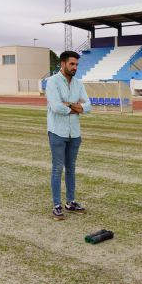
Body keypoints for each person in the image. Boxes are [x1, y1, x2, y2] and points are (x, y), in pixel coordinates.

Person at [45, 50, 92, 220]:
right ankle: (57, 205)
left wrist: (70, 105)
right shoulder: (52, 82)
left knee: (71, 168)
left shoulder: (79, 83)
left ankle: (70, 202)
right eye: (72, 64)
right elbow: (56, 107)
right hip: (57, 131)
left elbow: (88, 106)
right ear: (63, 64)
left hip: (75, 133)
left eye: (77, 64)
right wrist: (76, 107)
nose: (75, 67)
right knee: (58, 168)